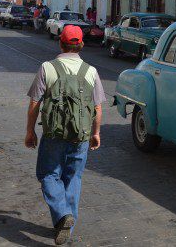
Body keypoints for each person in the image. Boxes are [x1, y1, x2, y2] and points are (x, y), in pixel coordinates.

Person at [25, 25, 105, 245]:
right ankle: (66, 223)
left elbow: (35, 102)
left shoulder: (47, 67)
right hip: (81, 135)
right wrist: (96, 133)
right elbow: (97, 108)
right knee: (73, 178)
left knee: (48, 175)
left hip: (54, 134)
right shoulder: (91, 71)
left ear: (60, 43)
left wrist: (30, 131)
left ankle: (62, 215)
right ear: (81, 45)